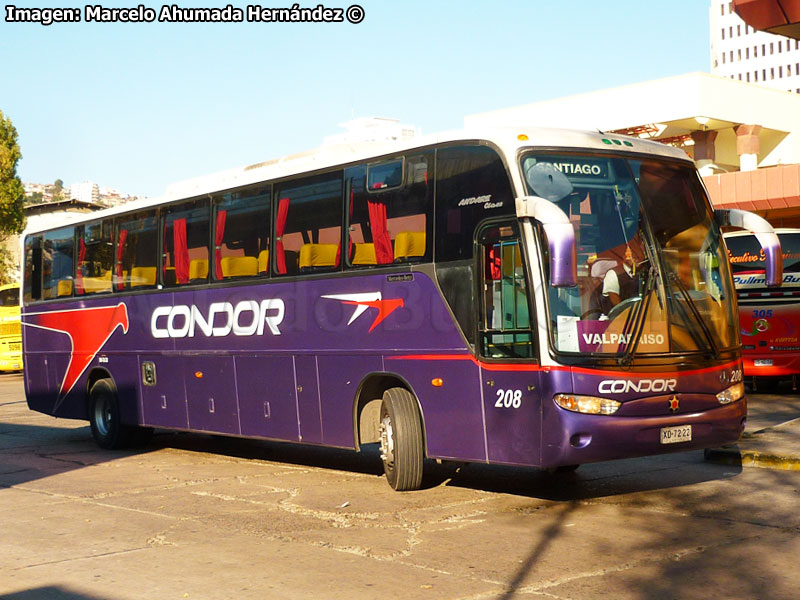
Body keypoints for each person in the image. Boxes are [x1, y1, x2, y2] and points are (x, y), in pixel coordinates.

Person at [602, 245, 638, 310]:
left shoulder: (643, 272)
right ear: (624, 257)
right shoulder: (613, 273)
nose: (635, 258)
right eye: (631, 255)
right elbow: (615, 299)